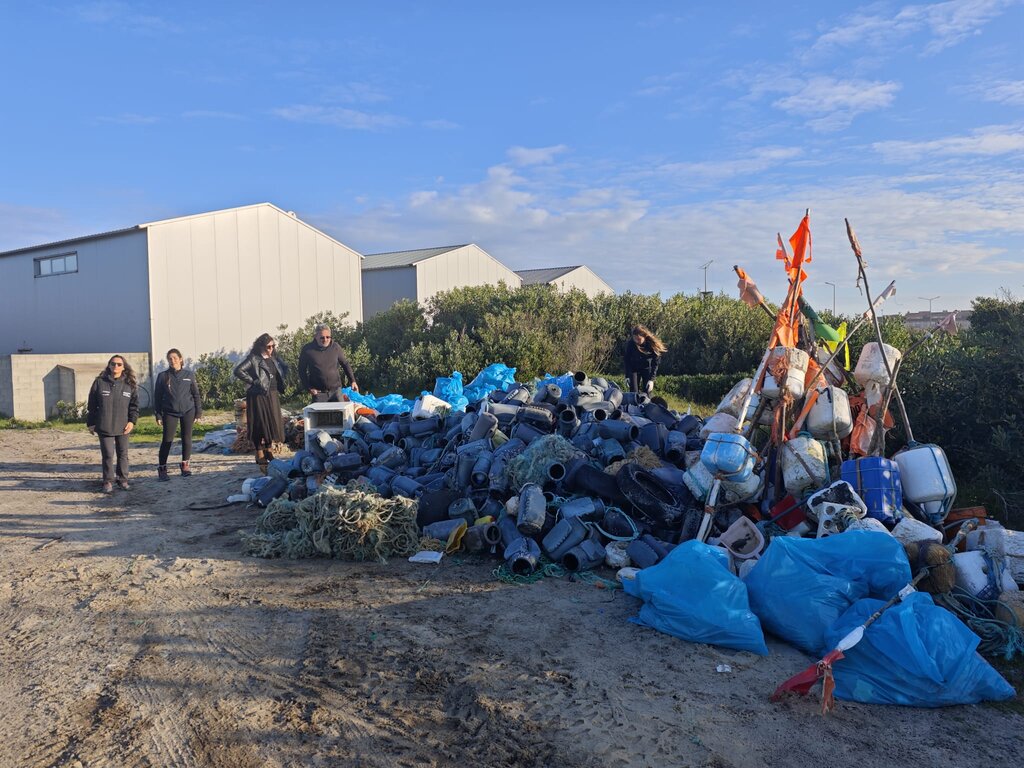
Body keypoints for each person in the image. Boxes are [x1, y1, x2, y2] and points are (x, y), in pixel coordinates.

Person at [233, 333, 288, 473]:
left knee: (271, 422)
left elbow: (280, 371)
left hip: (272, 394)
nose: (271, 349)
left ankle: (269, 450)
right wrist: (253, 381)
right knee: (260, 423)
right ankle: (259, 451)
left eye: (273, 346)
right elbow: (238, 370)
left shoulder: (273, 358)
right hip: (258, 395)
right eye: (268, 346)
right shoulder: (254, 358)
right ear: (261, 346)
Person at [86, 355, 139, 493]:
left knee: (123, 453)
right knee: (108, 454)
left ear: (124, 367)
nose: (116, 367)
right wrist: (91, 423)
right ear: (109, 365)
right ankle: (108, 481)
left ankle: (123, 479)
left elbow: (134, 406)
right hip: (104, 425)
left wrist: (132, 422)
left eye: (119, 364)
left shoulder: (130, 384)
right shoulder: (99, 382)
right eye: (113, 364)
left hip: (123, 426)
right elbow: (92, 405)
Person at [153, 348, 203, 481]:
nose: (172, 360)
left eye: (175, 358)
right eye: (169, 358)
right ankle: (162, 468)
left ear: (180, 359)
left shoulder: (189, 375)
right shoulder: (163, 376)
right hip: (170, 412)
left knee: (187, 439)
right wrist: (158, 415)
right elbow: (157, 397)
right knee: (167, 440)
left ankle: (185, 464)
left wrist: (198, 412)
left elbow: (196, 394)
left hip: (188, 410)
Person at [298, 323, 359, 402]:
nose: (325, 340)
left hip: (336, 391)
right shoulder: (307, 350)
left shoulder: (335, 347)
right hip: (318, 393)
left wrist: (353, 381)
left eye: (328, 337)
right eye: (322, 338)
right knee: (319, 414)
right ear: (315, 336)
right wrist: (309, 388)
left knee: (340, 413)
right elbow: (301, 370)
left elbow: (345, 364)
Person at [624, 324, 667, 395]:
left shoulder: (651, 344)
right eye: (635, 339)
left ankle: (647, 404)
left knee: (647, 392)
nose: (637, 341)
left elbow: (655, 363)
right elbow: (627, 360)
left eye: (639, 339)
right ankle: (634, 405)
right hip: (634, 369)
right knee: (633, 393)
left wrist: (651, 380)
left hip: (646, 368)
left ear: (644, 336)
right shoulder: (631, 344)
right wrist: (627, 376)